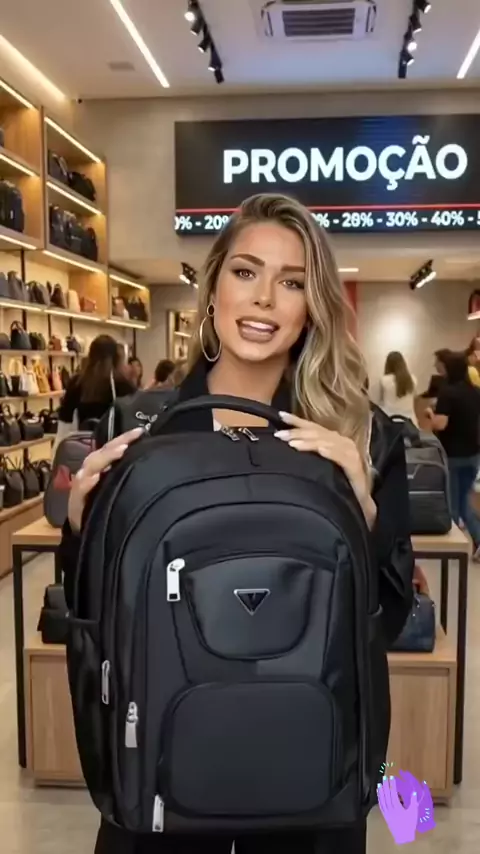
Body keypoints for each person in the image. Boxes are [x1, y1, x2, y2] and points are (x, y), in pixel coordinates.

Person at [61, 193, 414, 854]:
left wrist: (363, 513)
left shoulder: (361, 435)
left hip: (307, 782)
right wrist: (81, 528)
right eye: (246, 272)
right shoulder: (138, 428)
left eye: (292, 282)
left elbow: (385, 624)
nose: (263, 299)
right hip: (161, 773)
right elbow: (94, 625)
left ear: (313, 306)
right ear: (215, 286)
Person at [425, 351, 480, 558]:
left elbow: (441, 424)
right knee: (463, 500)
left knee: (453, 503)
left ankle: (453, 549)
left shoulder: (447, 392)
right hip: (473, 454)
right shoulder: (475, 391)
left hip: (453, 455)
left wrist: (430, 414)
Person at [54, 335, 135, 451]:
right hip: (113, 450)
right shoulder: (122, 384)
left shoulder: (76, 382)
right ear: (116, 357)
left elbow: (65, 421)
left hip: (83, 448)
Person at [379, 351, 418, 424]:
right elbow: (415, 400)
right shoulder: (413, 379)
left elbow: (380, 401)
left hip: (390, 421)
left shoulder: (384, 380)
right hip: (410, 421)